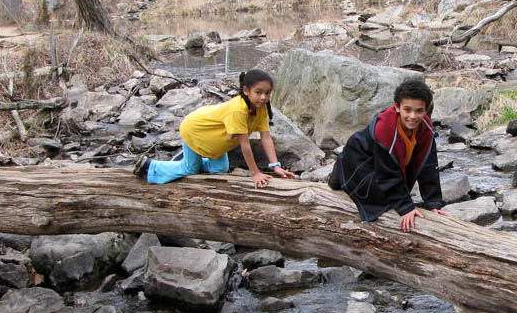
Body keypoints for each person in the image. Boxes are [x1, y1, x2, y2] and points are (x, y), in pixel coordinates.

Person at [133, 69, 296, 188]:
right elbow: (245, 145)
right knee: (189, 168)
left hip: (214, 141)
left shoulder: (260, 109)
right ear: (246, 90)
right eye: (258, 92)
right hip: (196, 131)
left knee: (220, 169)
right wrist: (255, 173)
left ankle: (193, 158)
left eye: (267, 93)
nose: (263, 97)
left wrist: (275, 165)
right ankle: (150, 167)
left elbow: (265, 137)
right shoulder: (239, 110)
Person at [329, 78, 446, 232]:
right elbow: (387, 174)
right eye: (407, 110)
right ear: (397, 107)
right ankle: (340, 172)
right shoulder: (384, 129)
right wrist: (405, 208)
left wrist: (433, 204)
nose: (413, 116)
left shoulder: (426, 130)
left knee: (396, 192)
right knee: (379, 199)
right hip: (359, 161)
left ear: (426, 110)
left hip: (383, 166)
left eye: (419, 111)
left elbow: (429, 167)